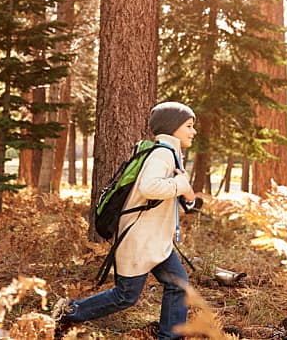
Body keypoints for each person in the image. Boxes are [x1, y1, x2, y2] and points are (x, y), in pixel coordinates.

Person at [53, 102, 198, 340]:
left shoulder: (169, 153)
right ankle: (69, 312)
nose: (193, 132)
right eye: (189, 126)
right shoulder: (162, 153)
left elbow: (177, 195)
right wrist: (180, 185)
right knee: (125, 296)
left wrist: (187, 193)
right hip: (139, 239)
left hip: (156, 241)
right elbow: (149, 187)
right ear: (173, 127)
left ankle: (170, 337)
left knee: (178, 283)